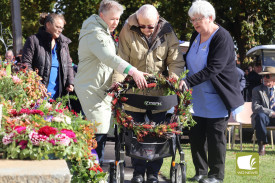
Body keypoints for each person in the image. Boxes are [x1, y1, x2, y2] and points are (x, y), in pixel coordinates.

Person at [112, 4, 185, 183]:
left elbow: (175, 61)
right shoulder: (127, 31)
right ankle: (137, 172)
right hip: (134, 93)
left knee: (158, 134)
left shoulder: (168, 33)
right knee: (136, 135)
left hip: (159, 94)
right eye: (142, 25)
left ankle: (153, 173)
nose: (145, 29)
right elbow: (120, 61)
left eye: (150, 26)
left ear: (157, 20)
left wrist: (173, 81)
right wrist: (117, 84)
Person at [74, 0, 147, 166]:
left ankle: (93, 168)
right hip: (91, 87)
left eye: (118, 19)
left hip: (99, 87)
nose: (116, 23)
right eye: (112, 19)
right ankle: (92, 170)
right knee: (97, 131)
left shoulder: (102, 29)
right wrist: (133, 71)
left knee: (100, 129)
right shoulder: (95, 33)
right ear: (101, 16)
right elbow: (108, 57)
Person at [179, 1, 244, 183]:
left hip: (217, 96)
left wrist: (187, 81)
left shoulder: (222, 37)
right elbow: (188, 58)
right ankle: (200, 171)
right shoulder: (195, 35)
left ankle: (216, 175)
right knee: (196, 136)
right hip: (196, 96)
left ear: (210, 18)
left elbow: (214, 67)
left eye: (198, 19)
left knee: (215, 138)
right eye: (192, 20)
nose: (195, 23)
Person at [22, 13, 74, 99]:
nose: (60, 30)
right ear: (48, 25)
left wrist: (70, 82)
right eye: (57, 27)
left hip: (59, 96)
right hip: (38, 95)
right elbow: (26, 64)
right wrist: (37, 85)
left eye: (61, 28)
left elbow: (68, 64)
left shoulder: (63, 44)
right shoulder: (33, 40)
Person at [251, 66, 275, 156]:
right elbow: (255, 107)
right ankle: (262, 144)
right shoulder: (257, 90)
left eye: (267, 76)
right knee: (260, 116)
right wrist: (271, 112)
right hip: (265, 117)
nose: (264, 78)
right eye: (263, 76)